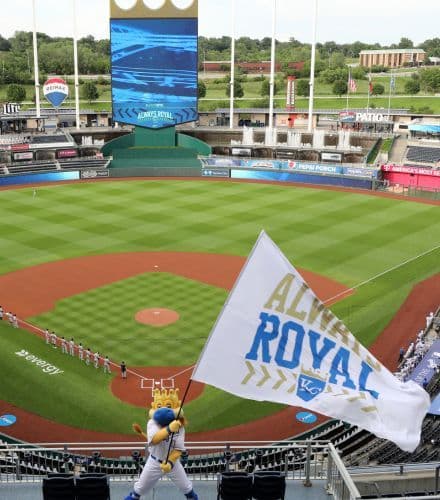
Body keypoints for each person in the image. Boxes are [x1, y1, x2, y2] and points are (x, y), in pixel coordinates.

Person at [124, 408, 198, 500]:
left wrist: (170, 462)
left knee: (187, 489)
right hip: (154, 462)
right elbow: (154, 440)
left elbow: (178, 449)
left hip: (173, 464)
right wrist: (169, 429)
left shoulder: (180, 426)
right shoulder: (152, 423)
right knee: (138, 490)